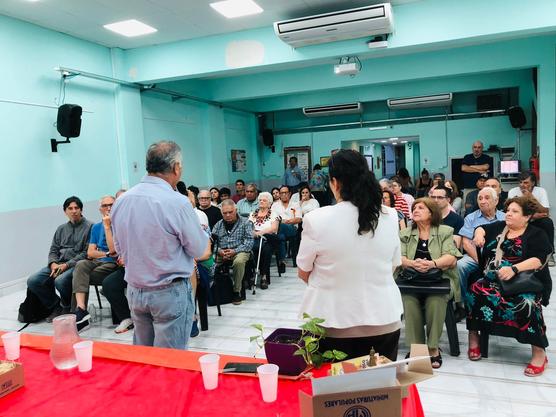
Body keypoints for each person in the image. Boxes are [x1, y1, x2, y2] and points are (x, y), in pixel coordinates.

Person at [296, 150, 403, 361]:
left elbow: (303, 272)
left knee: (333, 391)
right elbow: (393, 265)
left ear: (334, 182)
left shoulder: (315, 219)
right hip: (384, 319)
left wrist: (334, 281)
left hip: (332, 324)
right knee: (379, 390)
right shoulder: (389, 215)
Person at [111, 141, 208, 349]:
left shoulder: (122, 200)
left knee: (145, 358)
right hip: (168, 293)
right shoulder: (177, 202)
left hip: (136, 291)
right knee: (169, 363)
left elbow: (119, 249)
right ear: (176, 167)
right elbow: (199, 249)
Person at [467, 197, 551, 376]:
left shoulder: (537, 233)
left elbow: (539, 259)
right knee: (475, 290)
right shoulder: (499, 227)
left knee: (527, 303)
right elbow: (481, 228)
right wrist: (479, 234)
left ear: (527, 217)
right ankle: (474, 336)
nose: (509, 214)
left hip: (522, 283)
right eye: (508, 211)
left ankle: (539, 352)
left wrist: (514, 269)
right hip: (494, 281)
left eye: (514, 212)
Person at [399, 198, 462, 368]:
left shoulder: (444, 231)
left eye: (421, 207)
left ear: (431, 213)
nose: (416, 210)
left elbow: (451, 258)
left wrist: (432, 264)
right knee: (409, 300)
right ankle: (417, 349)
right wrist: (413, 263)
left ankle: (433, 348)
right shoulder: (405, 234)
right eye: (414, 208)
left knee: (435, 300)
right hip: (411, 280)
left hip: (438, 281)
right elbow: (399, 257)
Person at [27, 196, 92, 322]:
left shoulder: (90, 227)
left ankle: (67, 307)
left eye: (76, 208)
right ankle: (55, 305)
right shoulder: (61, 229)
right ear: (65, 211)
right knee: (34, 280)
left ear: (81, 210)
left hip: (76, 265)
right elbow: (53, 250)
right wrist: (53, 264)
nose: (73, 211)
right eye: (70, 208)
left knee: (60, 281)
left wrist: (66, 265)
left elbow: (86, 253)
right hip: (58, 265)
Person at [71, 195, 119, 332]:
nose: (108, 208)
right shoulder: (96, 227)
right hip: (98, 261)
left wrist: (108, 226)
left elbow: (114, 251)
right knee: (80, 265)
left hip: (113, 264)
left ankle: (76, 313)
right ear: (100, 209)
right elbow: (90, 253)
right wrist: (107, 254)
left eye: (111, 204)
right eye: (105, 206)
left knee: (79, 276)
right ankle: (81, 309)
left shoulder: (120, 224)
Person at [457, 188, 505, 303]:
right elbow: (466, 243)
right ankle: (463, 303)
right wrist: (482, 261)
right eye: (480, 198)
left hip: (500, 256)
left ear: (496, 200)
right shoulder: (471, 218)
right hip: (476, 256)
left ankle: (503, 301)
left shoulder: (505, 217)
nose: (482, 201)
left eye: (487, 198)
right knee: (459, 265)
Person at [507, 171, 554, 266]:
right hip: (520, 220)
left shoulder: (541, 191)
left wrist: (531, 197)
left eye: (525, 182)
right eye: (520, 182)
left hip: (535, 220)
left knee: (547, 222)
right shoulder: (513, 191)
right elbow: (510, 211)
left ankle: (550, 253)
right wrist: (533, 215)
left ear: (532, 183)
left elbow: (545, 212)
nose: (522, 185)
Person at [212, 200, 254, 304]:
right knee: (208, 260)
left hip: (240, 250)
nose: (227, 215)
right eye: (224, 213)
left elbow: (249, 242)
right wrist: (220, 251)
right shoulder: (218, 225)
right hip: (222, 252)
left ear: (236, 210)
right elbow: (212, 243)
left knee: (239, 262)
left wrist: (234, 251)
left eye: (230, 212)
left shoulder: (246, 223)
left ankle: (236, 291)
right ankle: (212, 290)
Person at [248, 192, 280, 290]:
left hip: (269, 238)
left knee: (265, 250)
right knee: (250, 249)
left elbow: (274, 229)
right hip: (255, 237)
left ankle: (264, 276)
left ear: (269, 203)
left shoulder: (274, 214)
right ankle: (250, 275)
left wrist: (260, 232)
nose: (261, 201)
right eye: (260, 200)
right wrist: (253, 233)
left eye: (264, 200)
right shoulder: (253, 213)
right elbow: (248, 226)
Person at [272, 185, 302, 271]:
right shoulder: (275, 206)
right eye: (282, 193)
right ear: (279, 194)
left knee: (280, 228)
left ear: (289, 194)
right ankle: (282, 262)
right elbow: (273, 219)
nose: (284, 195)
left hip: (292, 229)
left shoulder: (295, 204)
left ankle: (282, 260)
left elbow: (299, 219)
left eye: (286, 193)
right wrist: (282, 222)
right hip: (279, 229)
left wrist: (286, 221)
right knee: (281, 236)